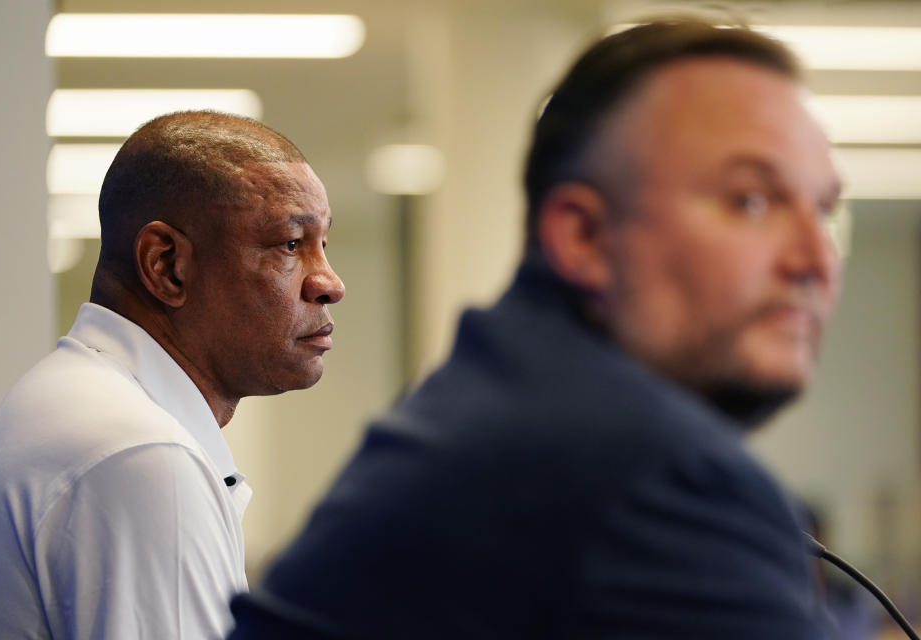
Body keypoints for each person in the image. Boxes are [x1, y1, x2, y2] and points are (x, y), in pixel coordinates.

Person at [229, 18, 841, 639]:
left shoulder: (503, 398)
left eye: (824, 209)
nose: (816, 260)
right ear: (583, 235)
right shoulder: (650, 474)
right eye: (751, 201)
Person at [0, 111, 345, 639]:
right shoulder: (139, 455)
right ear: (166, 266)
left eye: (323, 243)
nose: (329, 282)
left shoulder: (85, 405)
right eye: (289, 244)